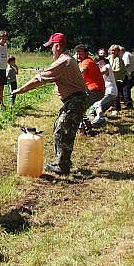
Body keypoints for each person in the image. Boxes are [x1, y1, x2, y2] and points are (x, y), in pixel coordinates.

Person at [11, 33, 89, 175]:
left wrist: (20, 90)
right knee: (61, 128)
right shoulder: (67, 59)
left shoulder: (63, 61)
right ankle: (62, 162)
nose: (50, 50)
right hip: (76, 100)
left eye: (51, 47)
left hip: (75, 100)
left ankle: (62, 165)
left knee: (62, 130)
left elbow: (38, 79)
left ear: (57, 46)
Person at [75, 44, 105, 124]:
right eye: (77, 53)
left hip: (95, 91)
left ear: (86, 53)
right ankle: (85, 126)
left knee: (78, 106)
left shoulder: (87, 61)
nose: (78, 55)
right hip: (90, 90)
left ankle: (83, 127)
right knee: (78, 106)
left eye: (80, 53)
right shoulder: (81, 62)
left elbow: (81, 73)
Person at [91, 57, 118, 126]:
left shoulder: (106, 66)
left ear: (103, 61)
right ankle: (99, 118)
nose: (97, 63)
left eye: (98, 61)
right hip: (112, 92)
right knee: (98, 107)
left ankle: (100, 118)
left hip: (110, 91)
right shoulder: (105, 67)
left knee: (97, 104)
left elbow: (103, 72)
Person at [108, 45, 126, 115]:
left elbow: (118, 70)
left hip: (119, 79)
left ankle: (116, 109)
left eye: (115, 50)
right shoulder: (109, 58)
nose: (113, 52)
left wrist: (108, 71)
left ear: (118, 51)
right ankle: (112, 106)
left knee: (116, 94)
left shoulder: (118, 59)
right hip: (112, 78)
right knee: (110, 93)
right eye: (112, 50)